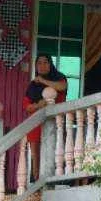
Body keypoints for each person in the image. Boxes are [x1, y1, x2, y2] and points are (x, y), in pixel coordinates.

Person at [22, 53, 68, 181]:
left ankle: (56, 180)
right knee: (36, 155)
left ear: (50, 64)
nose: (42, 65)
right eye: (39, 63)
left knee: (57, 151)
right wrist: (38, 105)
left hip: (56, 122)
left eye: (45, 62)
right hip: (36, 123)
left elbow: (62, 87)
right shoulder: (33, 85)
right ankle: (37, 183)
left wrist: (42, 80)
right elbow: (27, 106)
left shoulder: (58, 77)